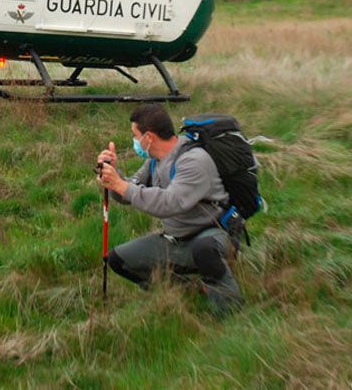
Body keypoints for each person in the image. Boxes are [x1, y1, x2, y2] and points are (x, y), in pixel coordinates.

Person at [96, 103, 244, 315]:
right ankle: (191, 292)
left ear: (149, 137)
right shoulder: (154, 161)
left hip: (216, 234)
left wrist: (121, 185)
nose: (135, 142)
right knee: (119, 260)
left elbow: (170, 203)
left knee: (204, 249)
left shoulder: (193, 160)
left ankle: (230, 311)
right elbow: (129, 193)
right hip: (177, 239)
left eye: (135, 136)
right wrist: (114, 175)